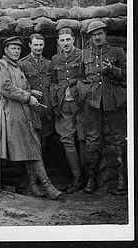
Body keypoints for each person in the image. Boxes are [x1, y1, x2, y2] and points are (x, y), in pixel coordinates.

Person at [0, 36, 62, 200]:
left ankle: (33, 185)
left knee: (33, 147)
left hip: (23, 112)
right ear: (5, 50)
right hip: (13, 113)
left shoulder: (15, 66)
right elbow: (5, 87)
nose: (16, 51)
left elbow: (21, 86)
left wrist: (31, 92)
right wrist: (28, 97)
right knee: (34, 147)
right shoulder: (3, 65)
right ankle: (47, 186)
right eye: (12, 48)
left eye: (18, 49)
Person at [78, 21, 127, 195]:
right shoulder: (83, 54)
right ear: (90, 37)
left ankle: (122, 181)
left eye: (100, 34)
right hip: (92, 103)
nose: (97, 37)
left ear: (105, 34)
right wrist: (84, 92)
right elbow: (79, 78)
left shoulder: (117, 51)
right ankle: (91, 180)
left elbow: (128, 77)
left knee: (119, 140)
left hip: (114, 101)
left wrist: (113, 70)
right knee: (92, 141)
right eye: (94, 35)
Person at [49, 28, 85, 194]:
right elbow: (54, 81)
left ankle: (89, 178)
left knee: (84, 138)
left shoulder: (82, 55)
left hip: (80, 103)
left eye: (68, 40)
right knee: (67, 139)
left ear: (73, 40)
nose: (65, 43)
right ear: (58, 42)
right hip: (64, 105)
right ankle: (77, 179)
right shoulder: (55, 59)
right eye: (62, 40)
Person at [18, 33, 55, 150]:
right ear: (29, 45)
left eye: (41, 45)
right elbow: (18, 86)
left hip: (46, 108)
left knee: (45, 139)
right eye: (35, 45)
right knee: (30, 139)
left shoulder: (49, 63)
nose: (38, 48)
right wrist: (31, 92)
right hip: (30, 108)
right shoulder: (22, 64)